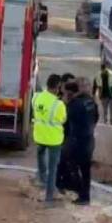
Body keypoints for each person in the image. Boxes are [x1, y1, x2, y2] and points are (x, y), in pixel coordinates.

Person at [62, 77, 99, 204]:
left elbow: (64, 120)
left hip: (78, 140)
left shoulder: (74, 104)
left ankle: (81, 194)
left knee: (71, 164)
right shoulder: (91, 101)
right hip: (89, 139)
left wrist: (66, 102)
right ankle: (85, 195)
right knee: (85, 169)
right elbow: (96, 118)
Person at [32, 74, 67, 203]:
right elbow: (63, 119)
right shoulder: (59, 105)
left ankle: (41, 179)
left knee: (40, 157)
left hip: (39, 136)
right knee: (53, 170)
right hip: (54, 140)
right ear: (57, 87)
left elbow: (36, 112)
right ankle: (49, 198)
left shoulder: (36, 97)